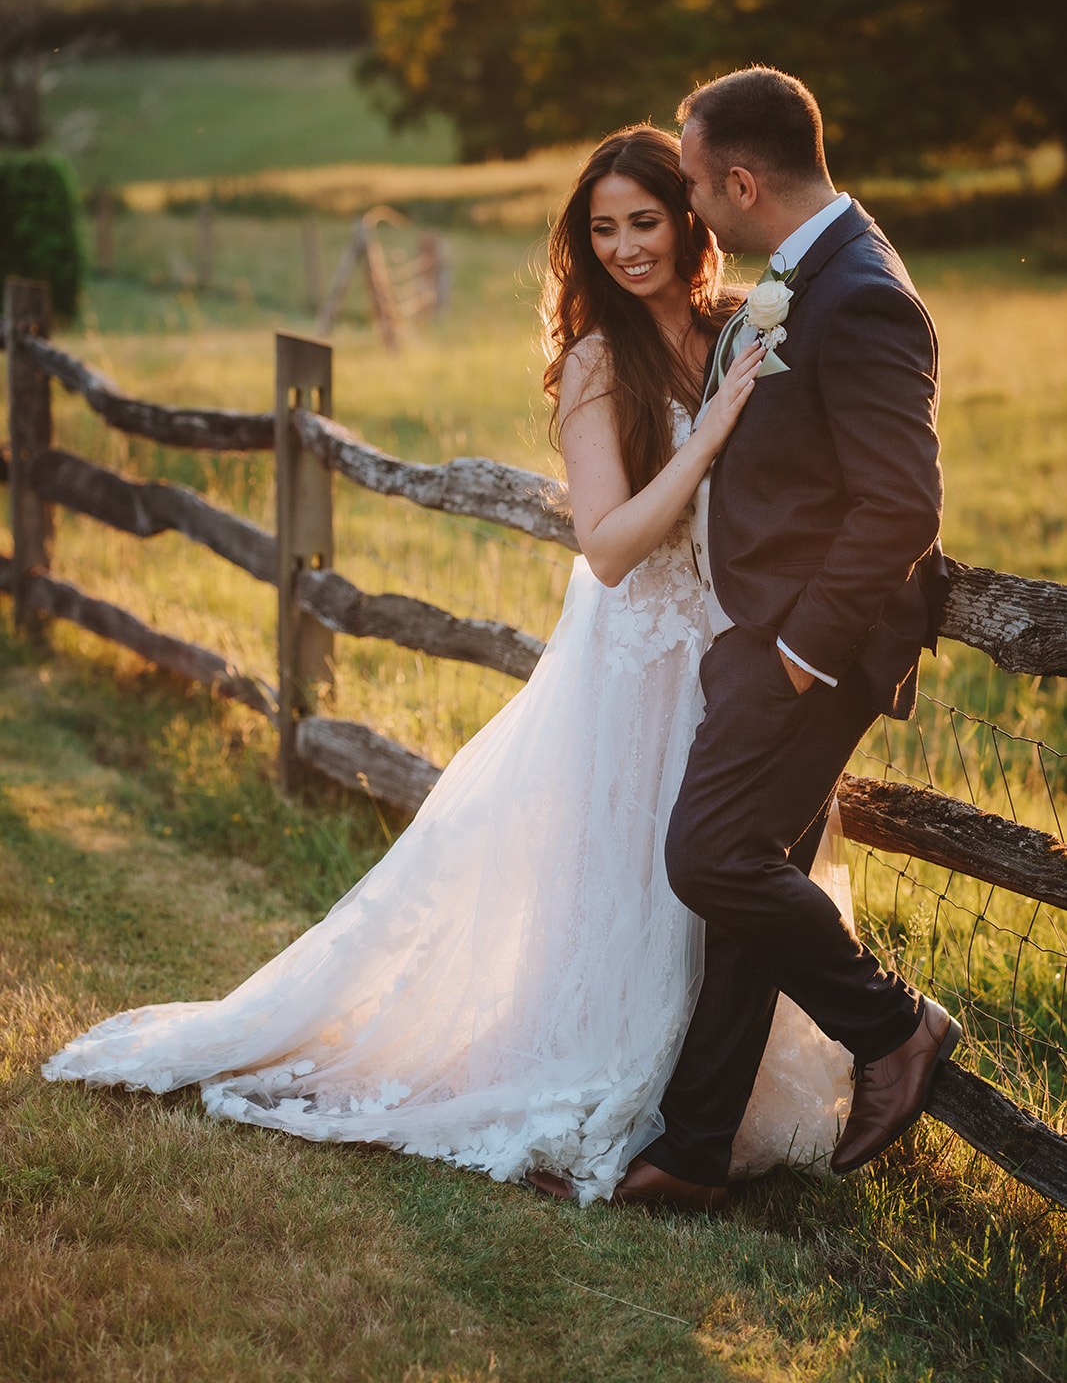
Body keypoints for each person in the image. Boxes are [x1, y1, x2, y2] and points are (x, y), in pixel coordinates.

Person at [42, 126, 856, 1204]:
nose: (623, 248)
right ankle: (614, 1079)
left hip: (733, 643)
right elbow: (608, 549)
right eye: (601, 228)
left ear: (691, 216)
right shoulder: (593, 360)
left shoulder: (730, 328)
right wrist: (706, 437)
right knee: (629, 873)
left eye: (644, 221)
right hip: (636, 653)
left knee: (716, 875)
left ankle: (705, 1107)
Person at [605, 70, 961, 1219]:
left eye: (696, 186)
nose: (691, 207)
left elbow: (900, 505)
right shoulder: (808, 268)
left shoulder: (857, 291)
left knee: (708, 857)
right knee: (744, 881)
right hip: (763, 632)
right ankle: (695, 1148)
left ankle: (893, 1026)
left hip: (813, 645)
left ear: (740, 180)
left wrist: (799, 653)